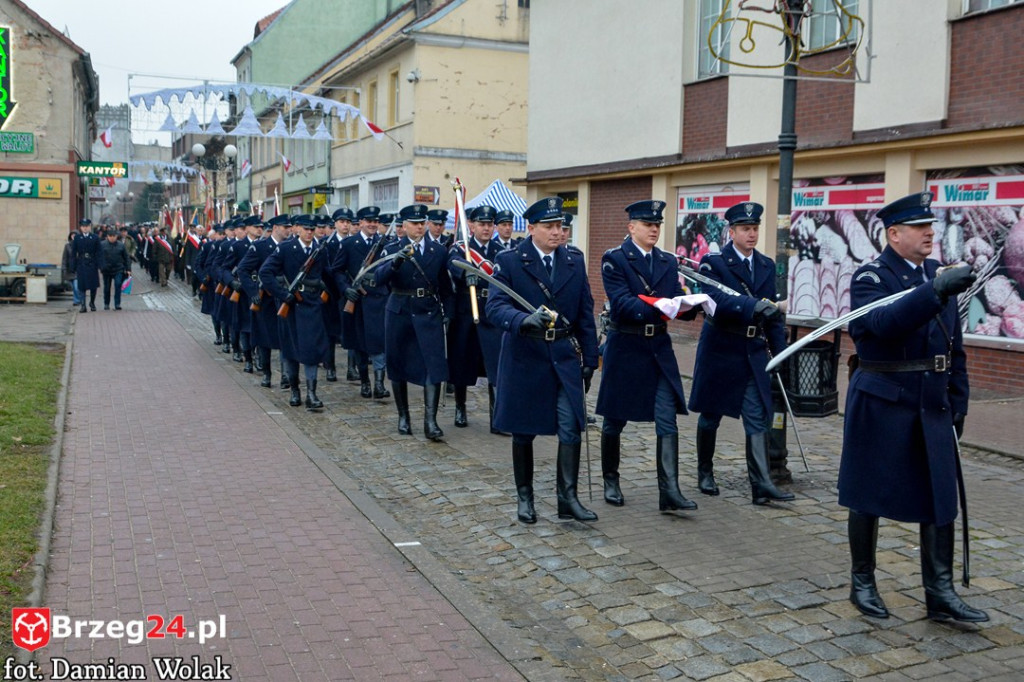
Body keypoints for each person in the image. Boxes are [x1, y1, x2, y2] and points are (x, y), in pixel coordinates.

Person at [838, 191, 986, 623]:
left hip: (931, 400)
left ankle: (940, 591)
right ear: (893, 234)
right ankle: (862, 582)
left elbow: (952, 343)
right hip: (884, 396)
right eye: (920, 228)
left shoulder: (940, 275)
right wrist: (933, 291)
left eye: (931, 226)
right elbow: (879, 327)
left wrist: (959, 398)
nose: (929, 233)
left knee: (940, 494)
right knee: (867, 493)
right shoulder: (871, 277)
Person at [486, 196, 600, 524]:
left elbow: (584, 312)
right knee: (523, 431)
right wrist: (523, 320)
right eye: (549, 226)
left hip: (563, 356)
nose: (557, 232)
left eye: (560, 226)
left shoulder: (573, 261)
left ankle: (568, 498)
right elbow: (495, 307)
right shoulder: (510, 261)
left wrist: (590, 357)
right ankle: (525, 498)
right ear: (531, 228)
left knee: (571, 428)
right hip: (526, 355)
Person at [687, 201, 795, 505]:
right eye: (745, 229)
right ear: (731, 232)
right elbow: (716, 299)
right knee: (711, 415)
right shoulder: (714, 262)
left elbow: (772, 314)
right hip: (721, 347)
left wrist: (780, 354)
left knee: (757, 417)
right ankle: (704, 471)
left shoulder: (765, 264)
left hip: (753, 349)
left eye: (755, 229)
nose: (751, 234)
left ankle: (761, 485)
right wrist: (752, 306)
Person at [596, 200, 698, 513]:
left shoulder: (667, 261)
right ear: (632, 227)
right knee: (615, 420)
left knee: (667, 418)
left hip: (658, 350)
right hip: (626, 347)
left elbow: (675, 298)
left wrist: (691, 304)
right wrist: (661, 306)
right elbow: (623, 304)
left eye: (657, 225)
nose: (654, 229)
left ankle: (669, 491)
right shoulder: (615, 259)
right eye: (647, 224)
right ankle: (610, 479)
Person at [375, 204, 454, 441]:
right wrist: (394, 263)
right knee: (397, 364)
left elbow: (446, 287)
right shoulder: (391, 248)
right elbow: (378, 279)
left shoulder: (438, 251)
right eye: (414, 223)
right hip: (400, 310)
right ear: (405, 225)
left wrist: (447, 314)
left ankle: (430, 421)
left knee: (434, 364)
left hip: (428, 312)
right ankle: (403, 416)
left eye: (422, 223)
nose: (419, 227)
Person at [260, 214, 330, 411]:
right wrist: (283, 295)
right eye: (305, 229)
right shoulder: (285, 249)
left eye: (312, 229)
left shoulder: (319, 250)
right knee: (291, 351)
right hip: (291, 306)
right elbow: (266, 273)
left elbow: (328, 274)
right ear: (297, 229)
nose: (309, 233)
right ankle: (294, 390)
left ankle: (312, 393)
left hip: (312, 305)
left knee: (312, 350)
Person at [446, 205, 502, 429]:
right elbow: (450, 264)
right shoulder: (461, 249)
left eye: (489, 224)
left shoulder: (500, 251)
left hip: (492, 312)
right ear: (471, 225)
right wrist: (464, 271)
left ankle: (495, 416)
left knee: (494, 365)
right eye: (481, 224)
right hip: (466, 312)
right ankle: (460, 408)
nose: (486, 228)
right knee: (462, 361)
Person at [333, 206, 391, 399]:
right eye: (369, 221)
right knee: (359, 344)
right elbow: (337, 270)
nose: (373, 224)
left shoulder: (385, 243)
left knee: (379, 343)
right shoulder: (350, 244)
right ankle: (365, 382)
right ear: (361, 223)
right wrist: (346, 289)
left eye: (376, 221)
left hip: (378, 299)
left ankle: (380, 384)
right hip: (357, 301)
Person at [70, 219, 100, 312]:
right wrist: (73, 266)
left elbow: (99, 252)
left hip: (92, 263)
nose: (85, 228)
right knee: (81, 286)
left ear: (90, 227)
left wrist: (100, 264)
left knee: (93, 285)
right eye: (83, 226)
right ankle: (83, 305)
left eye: (87, 226)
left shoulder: (95, 237)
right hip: (81, 263)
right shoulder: (77, 238)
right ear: (81, 227)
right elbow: (73, 253)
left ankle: (92, 302)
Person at [98, 227, 130, 310]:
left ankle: (117, 304)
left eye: (114, 236)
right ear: (107, 236)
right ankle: (106, 303)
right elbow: (98, 257)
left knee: (118, 285)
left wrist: (128, 269)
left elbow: (126, 258)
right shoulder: (102, 245)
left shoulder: (121, 245)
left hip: (118, 269)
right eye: (110, 236)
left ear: (116, 236)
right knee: (107, 287)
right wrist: (101, 267)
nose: (112, 238)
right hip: (106, 269)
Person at [62, 233, 81, 308]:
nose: (74, 237)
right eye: (72, 235)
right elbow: (64, 258)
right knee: (73, 287)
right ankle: (78, 299)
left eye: (75, 235)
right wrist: (64, 268)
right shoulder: (67, 246)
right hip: (70, 269)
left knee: (76, 287)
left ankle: (77, 300)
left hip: (78, 269)